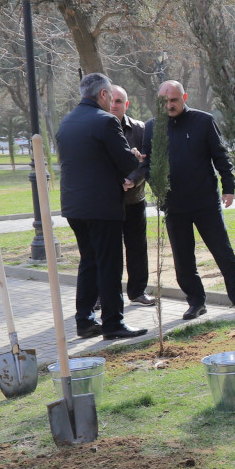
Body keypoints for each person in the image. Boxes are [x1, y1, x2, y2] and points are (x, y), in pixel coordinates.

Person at [136, 81, 235, 320]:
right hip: (174, 205)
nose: (169, 105)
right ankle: (196, 302)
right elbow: (147, 165)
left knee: (223, 251)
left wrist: (229, 187)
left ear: (184, 97)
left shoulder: (204, 121)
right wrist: (155, 184)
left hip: (205, 201)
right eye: (164, 102)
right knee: (183, 259)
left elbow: (221, 156)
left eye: (174, 100)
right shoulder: (152, 127)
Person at [56, 72, 147, 340]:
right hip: (102, 207)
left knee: (89, 262)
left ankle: (84, 320)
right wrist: (133, 155)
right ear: (104, 95)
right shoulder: (106, 121)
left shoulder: (67, 121)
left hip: (74, 206)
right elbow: (128, 164)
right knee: (109, 265)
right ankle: (113, 324)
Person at [108, 86, 155, 308]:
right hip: (108, 202)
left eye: (119, 101)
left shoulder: (140, 129)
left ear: (126, 104)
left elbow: (148, 161)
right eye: (111, 100)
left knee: (137, 248)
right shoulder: (99, 128)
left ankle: (138, 291)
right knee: (109, 251)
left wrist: (134, 179)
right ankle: (105, 294)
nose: (114, 105)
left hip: (134, 200)